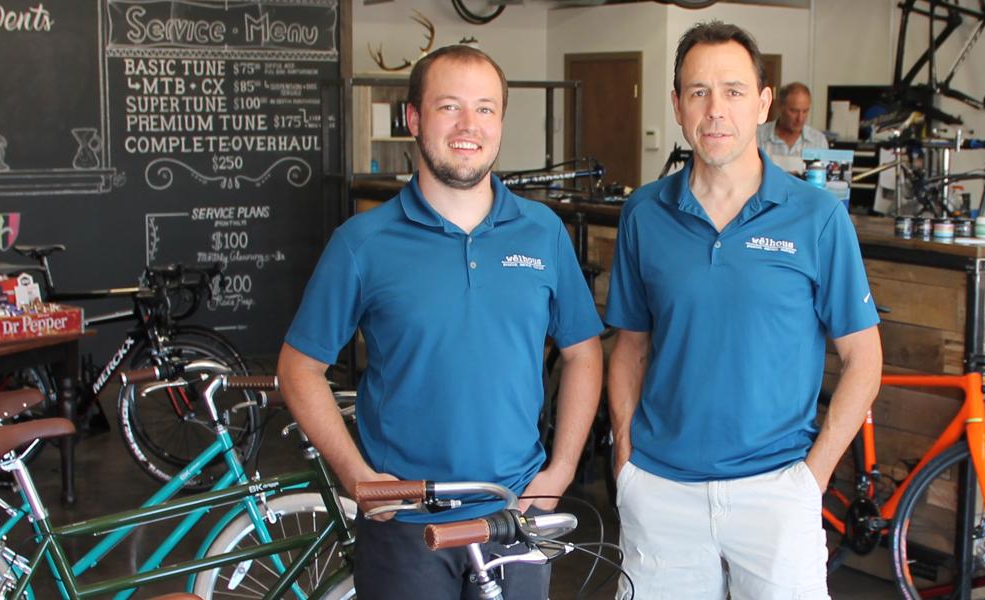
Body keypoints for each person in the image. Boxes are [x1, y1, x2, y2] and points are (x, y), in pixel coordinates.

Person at [276, 45, 604, 599]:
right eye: (449, 106)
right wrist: (355, 475)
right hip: (406, 524)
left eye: (485, 108)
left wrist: (562, 469)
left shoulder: (542, 232)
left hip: (513, 516)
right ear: (414, 119)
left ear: (501, 121)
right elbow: (298, 369)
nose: (467, 126)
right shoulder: (362, 243)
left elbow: (584, 352)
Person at [605, 21, 883, 600]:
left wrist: (812, 480)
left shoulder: (817, 218)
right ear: (677, 105)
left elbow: (864, 360)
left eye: (732, 91)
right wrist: (627, 464)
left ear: (761, 103)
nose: (715, 110)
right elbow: (629, 346)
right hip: (662, 490)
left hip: (777, 490)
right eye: (698, 91)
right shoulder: (643, 214)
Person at [756, 81, 831, 174]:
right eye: (794, 111)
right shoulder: (758, 136)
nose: (800, 118)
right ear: (780, 107)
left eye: (805, 111)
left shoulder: (818, 141)